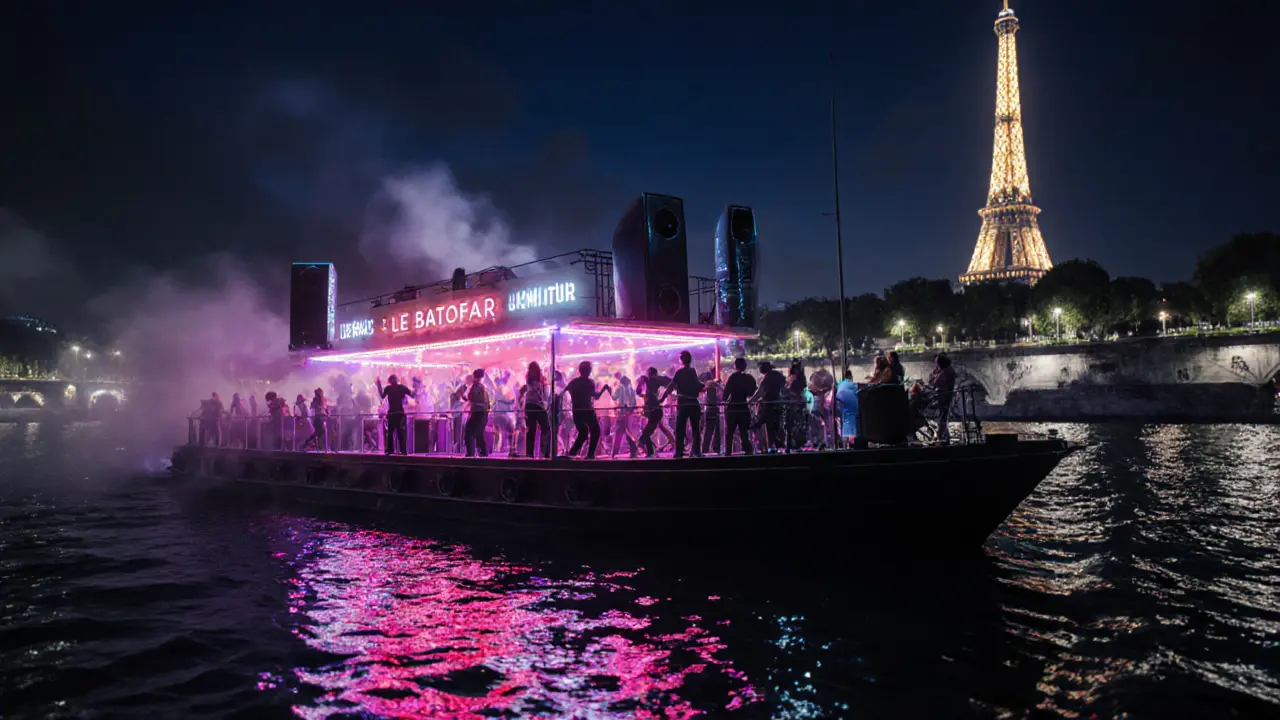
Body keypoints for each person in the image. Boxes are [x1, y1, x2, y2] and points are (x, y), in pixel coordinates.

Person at [660, 350, 705, 459]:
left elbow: (671, 386)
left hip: (683, 404)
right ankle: (696, 451)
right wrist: (704, 385)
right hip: (693, 403)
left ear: (681, 360)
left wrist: (662, 398)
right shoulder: (692, 371)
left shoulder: (679, 373)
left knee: (680, 429)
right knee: (695, 429)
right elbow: (698, 386)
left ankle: (679, 452)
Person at [564, 361, 610, 459]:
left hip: (576, 411)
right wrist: (604, 389)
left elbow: (565, 390)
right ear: (588, 370)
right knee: (596, 431)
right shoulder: (589, 382)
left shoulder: (573, 382)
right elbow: (596, 396)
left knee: (583, 432)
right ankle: (590, 454)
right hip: (587, 410)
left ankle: (572, 453)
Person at [722, 357, 757, 455]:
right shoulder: (749, 378)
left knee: (730, 431)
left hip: (733, 407)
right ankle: (748, 450)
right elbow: (752, 392)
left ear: (735, 366)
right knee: (744, 431)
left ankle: (728, 452)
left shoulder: (733, 377)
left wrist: (724, 399)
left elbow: (726, 393)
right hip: (743, 406)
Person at [750, 361, 785, 452]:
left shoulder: (768, 378)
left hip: (768, 406)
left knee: (759, 424)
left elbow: (759, 392)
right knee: (775, 427)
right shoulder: (778, 376)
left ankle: (768, 446)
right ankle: (776, 445)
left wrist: (750, 402)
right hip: (778, 405)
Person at [376, 374, 415, 455]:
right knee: (401, 433)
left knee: (390, 433)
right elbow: (411, 395)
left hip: (392, 413)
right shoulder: (402, 388)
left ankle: (390, 450)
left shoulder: (388, 388)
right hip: (400, 413)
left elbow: (382, 395)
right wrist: (415, 388)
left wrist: (378, 384)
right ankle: (403, 451)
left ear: (389, 381)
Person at [520, 362, 551, 458]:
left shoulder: (528, 381)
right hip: (539, 406)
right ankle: (544, 452)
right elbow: (546, 394)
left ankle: (529, 454)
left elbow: (523, 396)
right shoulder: (541, 380)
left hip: (529, 407)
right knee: (546, 428)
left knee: (531, 430)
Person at [637, 367, 670, 458]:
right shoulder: (648, 381)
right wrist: (641, 383)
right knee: (648, 431)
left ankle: (646, 446)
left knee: (647, 431)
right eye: (649, 373)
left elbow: (671, 385)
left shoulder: (657, 380)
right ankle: (650, 451)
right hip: (652, 410)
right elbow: (638, 391)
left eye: (650, 373)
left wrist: (663, 397)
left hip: (656, 410)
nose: (649, 375)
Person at [610, 373, 639, 458]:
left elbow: (614, 397)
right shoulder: (632, 390)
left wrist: (610, 390)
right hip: (629, 413)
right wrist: (631, 411)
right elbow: (634, 403)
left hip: (622, 413)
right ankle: (634, 452)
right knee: (629, 432)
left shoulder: (619, 388)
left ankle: (614, 453)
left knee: (619, 433)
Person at [930, 354, 957, 445]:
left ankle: (942, 436)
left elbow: (936, 382)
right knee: (944, 416)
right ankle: (943, 435)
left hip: (944, 396)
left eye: (937, 363)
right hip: (946, 396)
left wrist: (935, 375)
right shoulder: (948, 370)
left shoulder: (945, 372)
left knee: (943, 416)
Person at [464, 368, 491, 457]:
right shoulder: (483, 387)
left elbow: (472, 397)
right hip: (483, 413)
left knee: (469, 431)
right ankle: (483, 453)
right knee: (479, 433)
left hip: (478, 413)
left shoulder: (477, 386)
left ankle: (471, 453)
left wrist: (467, 398)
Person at [834, 369, 859, 446]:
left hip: (841, 407)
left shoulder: (841, 384)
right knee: (853, 423)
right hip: (851, 408)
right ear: (851, 376)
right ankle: (852, 441)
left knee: (845, 424)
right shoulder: (852, 385)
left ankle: (846, 441)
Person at [701, 372, 723, 455]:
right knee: (717, 431)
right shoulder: (716, 385)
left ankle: (705, 450)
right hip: (716, 409)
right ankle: (716, 449)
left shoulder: (710, 385)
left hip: (710, 409)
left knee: (708, 431)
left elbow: (711, 399)